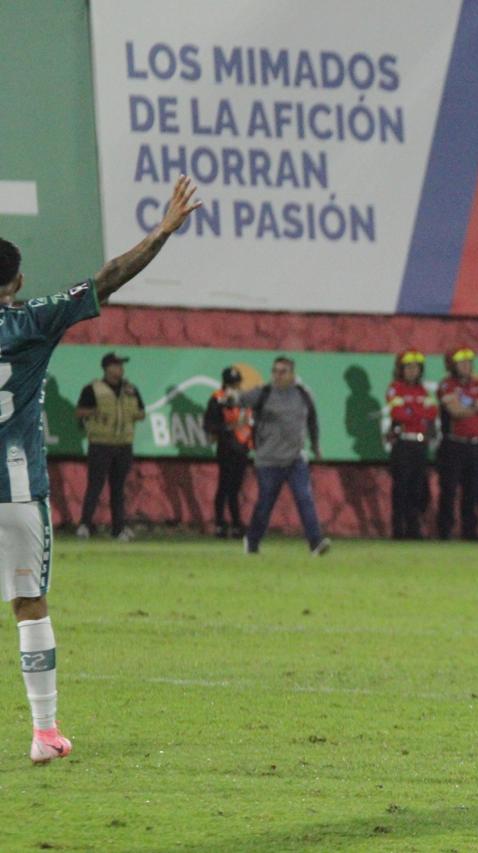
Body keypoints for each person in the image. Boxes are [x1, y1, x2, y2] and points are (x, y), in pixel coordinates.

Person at [0, 175, 200, 763]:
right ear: (17, 282)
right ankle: (44, 733)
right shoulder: (32, 320)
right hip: (16, 490)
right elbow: (108, 277)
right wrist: (162, 232)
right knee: (29, 605)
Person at [240, 356, 331, 555]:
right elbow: (241, 400)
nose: (277, 375)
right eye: (275, 371)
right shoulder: (263, 393)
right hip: (268, 460)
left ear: (292, 374)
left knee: (305, 498)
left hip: (295, 459)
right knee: (265, 504)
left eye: (282, 372)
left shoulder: (303, 394)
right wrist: (231, 398)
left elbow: (312, 420)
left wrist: (315, 446)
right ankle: (252, 540)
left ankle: (316, 543)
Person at [74, 352, 145, 540]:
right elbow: (80, 411)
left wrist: (132, 414)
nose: (121, 369)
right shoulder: (93, 389)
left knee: (118, 489)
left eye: (121, 365)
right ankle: (85, 525)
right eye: (117, 365)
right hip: (100, 443)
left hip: (123, 444)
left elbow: (141, 412)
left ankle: (118, 528)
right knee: (95, 486)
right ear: (107, 368)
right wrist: (97, 412)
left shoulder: (130, 389)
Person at [436, 347, 478, 540]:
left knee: (473, 490)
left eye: (469, 362)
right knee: (449, 490)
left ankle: (470, 531)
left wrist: (470, 404)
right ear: (452, 365)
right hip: (453, 444)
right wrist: (477, 405)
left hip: (474, 445)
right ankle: (445, 531)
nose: (466, 366)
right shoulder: (447, 385)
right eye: (462, 363)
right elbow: (456, 411)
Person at [385, 350, 435, 540]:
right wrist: (418, 412)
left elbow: (432, 413)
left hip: (420, 444)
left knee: (418, 488)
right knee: (401, 487)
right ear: (401, 369)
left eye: (416, 367)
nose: (413, 371)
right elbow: (397, 413)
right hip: (403, 443)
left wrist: (411, 411)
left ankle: (414, 529)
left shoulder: (423, 390)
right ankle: (398, 529)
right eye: (408, 367)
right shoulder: (395, 388)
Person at [203, 366, 252, 538]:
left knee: (236, 488)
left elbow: (251, 421)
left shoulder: (244, 399)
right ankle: (220, 523)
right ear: (224, 383)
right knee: (224, 486)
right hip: (226, 447)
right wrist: (227, 428)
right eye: (231, 383)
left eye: (236, 383)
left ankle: (236, 523)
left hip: (242, 447)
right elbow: (209, 425)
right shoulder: (217, 399)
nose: (235, 386)